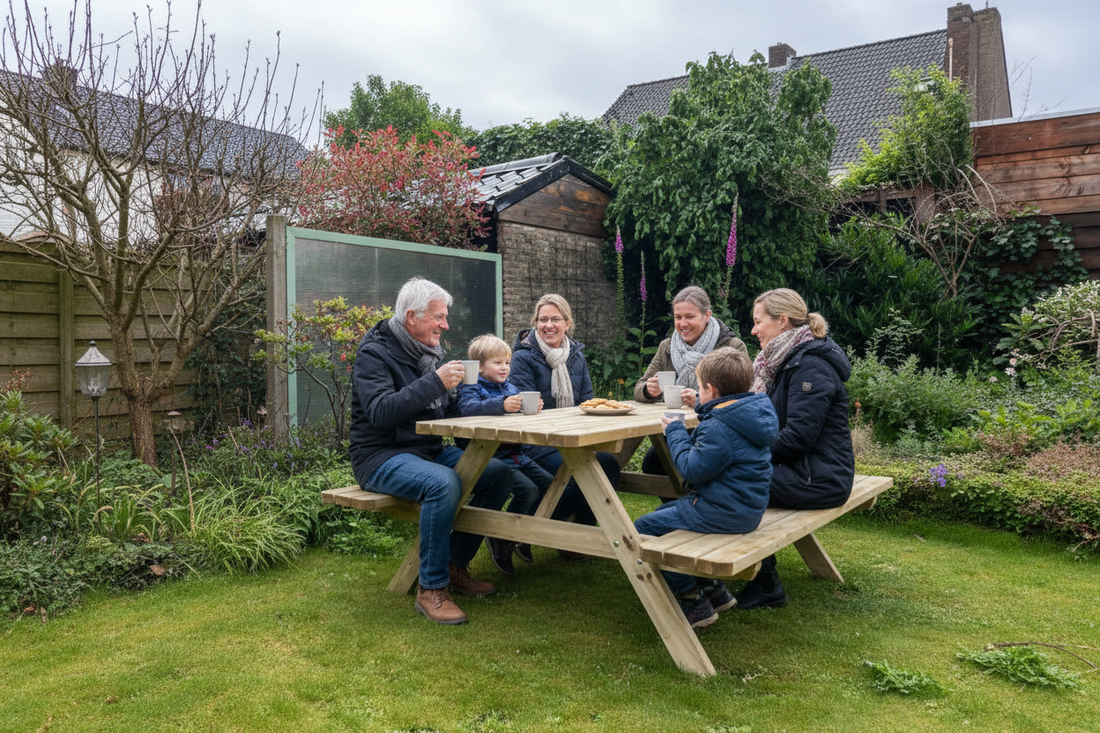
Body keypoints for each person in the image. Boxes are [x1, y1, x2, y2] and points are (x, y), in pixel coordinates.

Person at [349, 277, 515, 626]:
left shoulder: (426, 355)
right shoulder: (374, 353)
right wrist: (436, 381)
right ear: (412, 317)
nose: (446, 325)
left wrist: (495, 405)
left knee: (498, 474)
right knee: (442, 484)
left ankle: (455, 564)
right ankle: (431, 590)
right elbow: (381, 413)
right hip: (379, 456)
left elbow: (443, 414)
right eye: (439, 317)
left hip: (426, 450)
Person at [634, 347, 778, 629]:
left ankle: (692, 601)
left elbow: (691, 469)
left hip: (721, 511)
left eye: (699, 387)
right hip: (745, 507)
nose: (698, 392)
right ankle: (714, 591)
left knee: (643, 527)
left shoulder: (719, 426)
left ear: (711, 390)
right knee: (665, 512)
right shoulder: (749, 413)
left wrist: (674, 431)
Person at [733, 288, 856, 611]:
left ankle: (764, 582)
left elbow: (798, 437)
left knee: (734, 482)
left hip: (819, 477)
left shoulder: (810, 366)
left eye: (759, 322)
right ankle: (739, 577)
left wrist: (744, 453)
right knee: (726, 474)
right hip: (805, 469)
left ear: (782, 322)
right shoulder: (784, 361)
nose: (753, 330)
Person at [510, 293, 621, 530]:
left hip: (572, 439)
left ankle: (581, 533)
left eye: (555, 319)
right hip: (536, 442)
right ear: (535, 323)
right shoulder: (522, 358)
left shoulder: (576, 356)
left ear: (567, 324)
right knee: (575, 475)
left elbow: (587, 402)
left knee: (609, 464)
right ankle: (525, 529)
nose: (548, 325)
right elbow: (524, 409)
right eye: (542, 320)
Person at [456, 334, 554, 574]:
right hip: (493, 457)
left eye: (507, 363)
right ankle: (503, 537)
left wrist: (531, 410)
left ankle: (515, 534)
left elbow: (515, 414)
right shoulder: (471, 387)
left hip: (517, 454)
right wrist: (502, 404)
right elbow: (468, 409)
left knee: (550, 485)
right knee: (529, 490)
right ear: (479, 367)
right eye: (497, 363)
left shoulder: (510, 387)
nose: (504, 368)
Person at [633, 285, 748, 475]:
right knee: (653, 464)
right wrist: (648, 389)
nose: (683, 324)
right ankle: (684, 501)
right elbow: (639, 386)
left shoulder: (731, 347)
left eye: (690, 317)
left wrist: (702, 402)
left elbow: (742, 398)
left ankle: (692, 501)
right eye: (678, 317)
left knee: (663, 463)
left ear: (707, 315)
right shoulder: (667, 347)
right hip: (675, 427)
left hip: (714, 430)